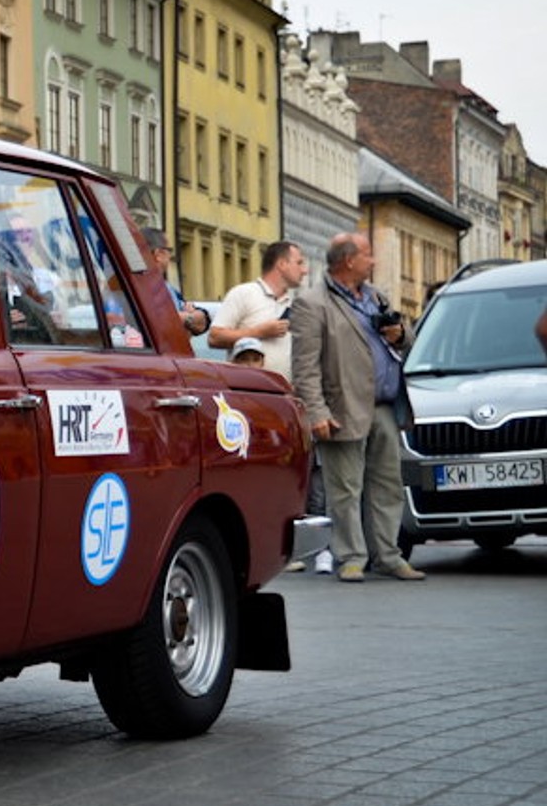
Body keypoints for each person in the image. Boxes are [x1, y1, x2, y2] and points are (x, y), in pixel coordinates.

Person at [290, 233, 424, 583]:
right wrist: (316, 412)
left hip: (384, 406)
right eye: (368, 255)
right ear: (349, 260)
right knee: (345, 490)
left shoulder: (376, 296)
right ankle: (351, 557)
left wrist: (399, 335)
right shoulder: (312, 304)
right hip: (343, 408)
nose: (373, 261)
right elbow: (304, 367)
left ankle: (388, 556)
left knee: (388, 485)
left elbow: (407, 340)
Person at [208, 239, 306, 375]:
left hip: (284, 386)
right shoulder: (244, 294)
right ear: (282, 264)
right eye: (299, 263)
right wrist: (258, 332)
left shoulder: (296, 304)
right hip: (249, 385)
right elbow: (214, 338)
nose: (304, 271)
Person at [144, 227, 210, 337]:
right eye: (169, 250)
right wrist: (188, 318)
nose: (170, 256)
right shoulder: (142, 286)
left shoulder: (167, 288)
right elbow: (156, 321)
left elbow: (203, 322)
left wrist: (186, 318)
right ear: (158, 254)